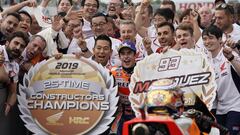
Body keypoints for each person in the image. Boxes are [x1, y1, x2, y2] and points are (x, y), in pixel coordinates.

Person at [202, 25, 240, 135]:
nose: (207, 41)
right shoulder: (205, 60)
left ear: (219, 39)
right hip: (219, 108)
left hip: (236, 106)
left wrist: (231, 58)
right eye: (204, 38)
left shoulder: (229, 53)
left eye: (211, 38)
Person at [0, 31, 29, 135]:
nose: (18, 47)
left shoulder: (15, 66)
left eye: (22, 46)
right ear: (7, 43)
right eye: (16, 43)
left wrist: (8, 104)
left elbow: (13, 92)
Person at [111, 40, 137, 135]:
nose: (126, 57)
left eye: (129, 53)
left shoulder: (142, 71)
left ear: (135, 55)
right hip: (121, 115)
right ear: (119, 57)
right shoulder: (113, 72)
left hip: (140, 113)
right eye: (123, 54)